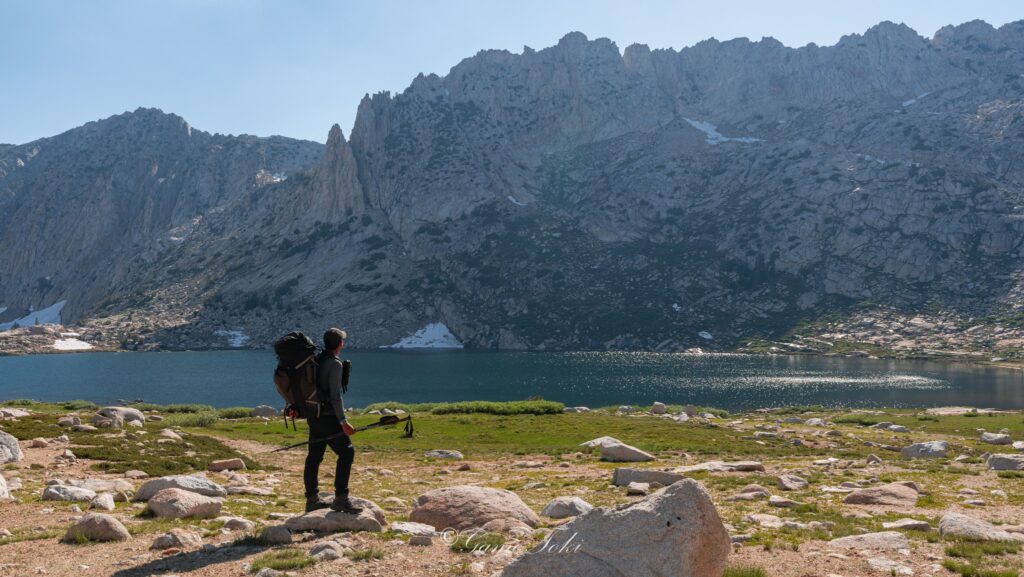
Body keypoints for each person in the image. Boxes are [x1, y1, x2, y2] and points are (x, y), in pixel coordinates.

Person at [303, 327, 363, 514]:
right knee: (347, 452)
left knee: (314, 456)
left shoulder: (317, 360)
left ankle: (312, 499)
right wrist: (343, 422)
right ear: (340, 344)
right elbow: (335, 397)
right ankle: (341, 499)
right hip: (328, 417)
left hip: (314, 416)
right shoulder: (335, 364)